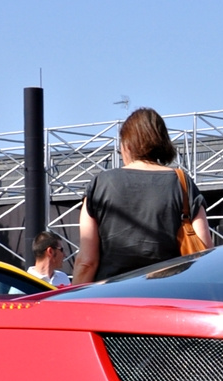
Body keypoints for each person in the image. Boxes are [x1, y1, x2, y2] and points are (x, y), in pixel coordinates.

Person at [73, 108, 210, 284]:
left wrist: (71, 302)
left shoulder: (100, 184)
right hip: (169, 295)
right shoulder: (182, 183)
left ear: (127, 145)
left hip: (111, 298)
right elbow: (204, 252)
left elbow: (87, 262)